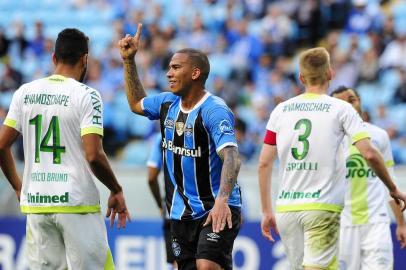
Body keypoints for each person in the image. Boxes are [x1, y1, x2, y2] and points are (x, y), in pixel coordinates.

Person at [258, 47, 406, 270]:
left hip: (287, 209)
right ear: (330, 73)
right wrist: (393, 188)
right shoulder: (340, 109)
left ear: (301, 77)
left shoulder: (280, 110)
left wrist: (267, 211)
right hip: (322, 207)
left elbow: (264, 163)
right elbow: (368, 153)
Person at [0, 28, 130, 269]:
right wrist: (116, 189)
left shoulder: (24, 93)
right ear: (85, 59)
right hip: (76, 203)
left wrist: (20, 186)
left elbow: (1, 145)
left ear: (53, 58)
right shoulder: (87, 95)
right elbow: (93, 155)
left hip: (38, 204)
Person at [119, 24, 242, 270]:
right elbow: (136, 104)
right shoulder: (167, 104)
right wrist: (129, 61)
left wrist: (222, 201)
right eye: (169, 68)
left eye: (176, 67)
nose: (169, 74)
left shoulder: (213, 110)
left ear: (195, 73)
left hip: (215, 209)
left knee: (206, 266)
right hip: (179, 214)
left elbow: (232, 157)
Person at [331, 86, 406, 269]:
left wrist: (401, 224)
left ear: (360, 103)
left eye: (351, 100)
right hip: (343, 225)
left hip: (376, 222)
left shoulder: (379, 136)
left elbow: (391, 184)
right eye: (340, 102)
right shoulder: (328, 140)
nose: (347, 105)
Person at [147, 132, 178, 269]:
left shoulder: (162, 137)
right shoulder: (204, 128)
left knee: (180, 261)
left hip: (174, 207)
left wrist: (161, 205)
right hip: (205, 207)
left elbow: (151, 177)